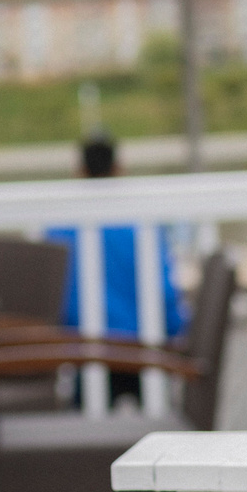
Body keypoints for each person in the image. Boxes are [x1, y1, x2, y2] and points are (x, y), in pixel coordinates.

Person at [48, 130, 184, 345]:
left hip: (74, 352)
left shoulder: (57, 230)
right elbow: (166, 297)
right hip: (139, 351)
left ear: (80, 172)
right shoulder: (143, 228)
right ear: (118, 169)